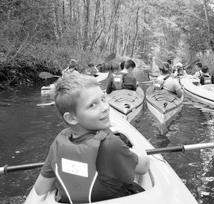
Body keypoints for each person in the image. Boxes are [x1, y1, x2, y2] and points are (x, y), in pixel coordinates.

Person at [25, 72, 150, 203]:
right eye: (92, 105)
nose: (105, 108)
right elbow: (143, 167)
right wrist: (140, 154)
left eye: (102, 99)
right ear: (71, 118)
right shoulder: (110, 144)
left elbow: (40, 188)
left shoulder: (59, 142)